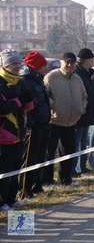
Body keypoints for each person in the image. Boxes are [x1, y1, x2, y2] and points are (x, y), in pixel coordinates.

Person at [43, 52, 87, 186]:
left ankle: (65, 180)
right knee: (49, 153)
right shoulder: (51, 78)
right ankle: (47, 181)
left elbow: (84, 96)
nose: (70, 65)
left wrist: (81, 109)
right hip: (54, 121)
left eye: (72, 63)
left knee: (69, 152)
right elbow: (45, 98)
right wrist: (54, 108)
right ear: (61, 63)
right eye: (67, 62)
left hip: (72, 122)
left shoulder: (77, 79)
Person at [0, 49, 34, 211]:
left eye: (19, 63)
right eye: (14, 63)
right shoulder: (1, 82)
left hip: (19, 133)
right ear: (6, 65)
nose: (17, 66)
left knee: (15, 168)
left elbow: (25, 107)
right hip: (4, 134)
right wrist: (20, 100)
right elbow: (2, 108)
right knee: (3, 170)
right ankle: (1, 202)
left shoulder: (19, 81)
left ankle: (12, 199)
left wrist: (29, 100)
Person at [18, 52, 51, 199]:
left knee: (40, 157)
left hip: (43, 124)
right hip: (34, 127)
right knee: (29, 160)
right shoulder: (26, 82)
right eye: (43, 65)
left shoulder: (38, 80)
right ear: (35, 66)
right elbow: (27, 108)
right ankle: (25, 190)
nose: (46, 68)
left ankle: (36, 186)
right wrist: (32, 125)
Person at [72, 48, 94, 177]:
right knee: (77, 142)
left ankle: (82, 166)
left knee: (83, 142)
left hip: (87, 113)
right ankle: (74, 168)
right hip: (80, 114)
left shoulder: (86, 73)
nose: (93, 62)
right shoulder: (78, 74)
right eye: (92, 59)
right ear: (86, 60)